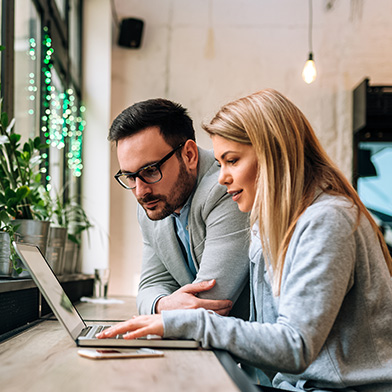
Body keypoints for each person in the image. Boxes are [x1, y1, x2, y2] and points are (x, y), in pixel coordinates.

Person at [99, 89, 392, 391]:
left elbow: (295, 346)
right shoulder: (271, 224)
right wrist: (168, 313)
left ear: (274, 155)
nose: (222, 177)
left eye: (232, 161)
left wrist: (184, 322)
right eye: (222, 162)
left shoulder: (327, 220)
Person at [108, 98, 250, 319]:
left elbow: (208, 303)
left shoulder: (228, 188)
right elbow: (150, 286)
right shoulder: (154, 203)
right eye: (130, 177)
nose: (140, 191)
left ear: (189, 155)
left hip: (244, 346)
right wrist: (162, 305)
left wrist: (162, 307)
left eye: (151, 170)